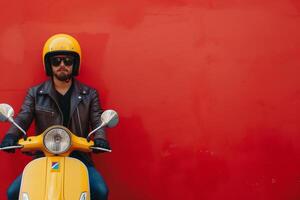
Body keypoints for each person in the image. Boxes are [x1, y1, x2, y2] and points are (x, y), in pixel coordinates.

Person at [0, 33, 110, 200]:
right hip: (44, 155)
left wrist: (100, 138)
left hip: (78, 156)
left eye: (68, 61)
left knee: (100, 190)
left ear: (75, 64)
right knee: (13, 193)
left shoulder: (89, 94)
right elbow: (23, 117)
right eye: (56, 61)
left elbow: (97, 119)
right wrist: (11, 135)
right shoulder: (35, 93)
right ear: (48, 64)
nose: (62, 65)